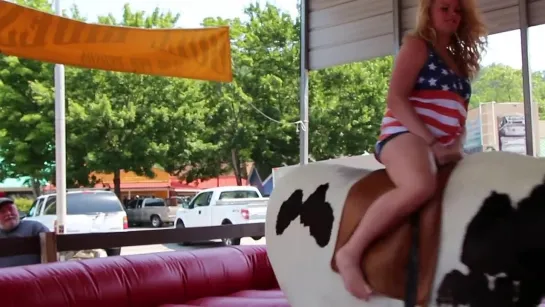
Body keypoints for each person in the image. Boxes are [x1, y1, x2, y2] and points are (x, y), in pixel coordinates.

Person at [335, 0, 487, 300]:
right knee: (419, 185)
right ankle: (350, 252)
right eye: (445, 8)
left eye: (457, 10)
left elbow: (459, 114)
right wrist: (431, 142)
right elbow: (396, 99)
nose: (453, 15)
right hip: (405, 134)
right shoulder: (418, 46)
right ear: (428, 12)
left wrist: (455, 146)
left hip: (444, 144)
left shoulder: (459, 60)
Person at [0, 197, 50, 268]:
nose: (8, 213)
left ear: (17, 211)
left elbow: (51, 254)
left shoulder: (35, 228)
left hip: (34, 276)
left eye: (11, 209)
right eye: (2, 211)